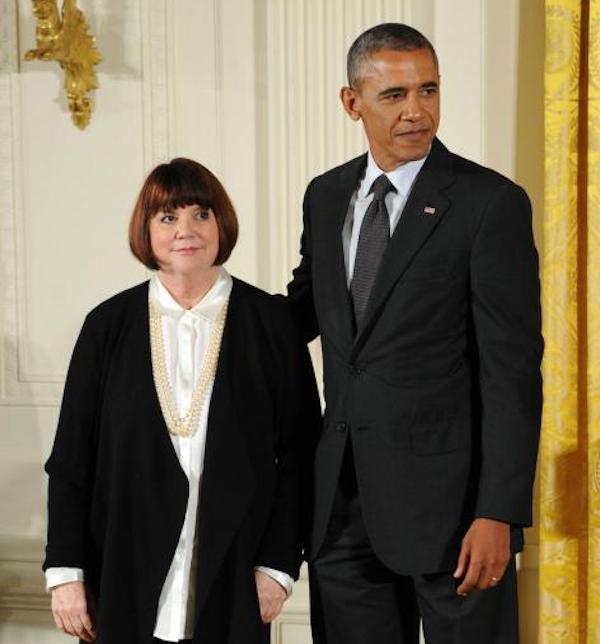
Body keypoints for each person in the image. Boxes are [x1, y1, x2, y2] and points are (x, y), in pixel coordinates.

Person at [287, 23, 543, 643]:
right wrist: (196, 296)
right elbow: (302, 313)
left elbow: (511, 373)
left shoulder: (489, 204)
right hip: (342, 515)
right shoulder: (325, 197)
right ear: (352, 103)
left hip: (455, 518)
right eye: (394, 95)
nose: (416, 111)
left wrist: (497, 513)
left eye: (427, 90)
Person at [43, 158, 320, 644]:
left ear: (222, 223)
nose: (186, 230)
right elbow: (71, 461)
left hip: (237, 573)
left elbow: (301, 456)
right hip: (124, 569)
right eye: (168, 217)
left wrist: (278, 567)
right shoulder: (106, 326)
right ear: (145, 230)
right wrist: (66, 573)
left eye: (201, 214)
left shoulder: (272, 324)